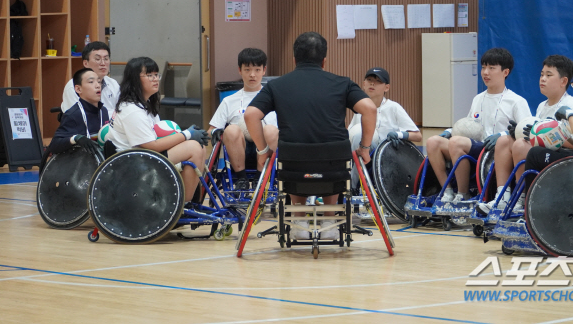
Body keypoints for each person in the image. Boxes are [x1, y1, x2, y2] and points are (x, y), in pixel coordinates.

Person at [244, 32, 377, 240]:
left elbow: (251, 114)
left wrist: (262, 151)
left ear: (294, 60)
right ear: (324, 60)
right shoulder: (342, 83)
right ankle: (331, 221)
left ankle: (298, 221)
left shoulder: (277, 85)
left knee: (296, 156)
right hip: (334, 168)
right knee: (331, 156)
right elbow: (369, 109)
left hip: (294, 168)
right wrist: (365, 148)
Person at [476, 55, 573, 215]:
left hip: (565, 159)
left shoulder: (572, 106)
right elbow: (536, 137)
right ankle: (502, 196)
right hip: (542, 154)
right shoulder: (542, 106)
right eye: (542, 74)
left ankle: (520, 199)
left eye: (548, 75)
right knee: (504, 140)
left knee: (521, 145)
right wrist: (518, 132)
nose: (542, 79)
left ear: (563, 82)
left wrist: (550, 137)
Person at [425, 48, 531, 203]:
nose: (485, 72)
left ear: (505, 72)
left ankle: (463, 194)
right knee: (433, 142)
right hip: (477, 146)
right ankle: (447, 191)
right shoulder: (478, 99)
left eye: (491, 68)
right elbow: (469, 125)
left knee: (456, 142)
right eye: (483, 67)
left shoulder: (517, 101)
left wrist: (502, 136)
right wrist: (449, 131)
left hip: (497, 152)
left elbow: (525, 133)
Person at [106, 57, 209, 202]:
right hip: (131, 163)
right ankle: (183, 206)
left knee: (200, 147)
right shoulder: (131, 109)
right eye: (149, 75)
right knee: (193, 148)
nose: (155, 79)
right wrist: (186, 134)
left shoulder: (145, 103)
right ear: (135, 79)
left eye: (156, 75)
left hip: (143, 155)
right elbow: (151, 146)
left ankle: (188, 201)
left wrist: (187, 135)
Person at [208, 48, 279, 188]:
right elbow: (210, 130)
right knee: (231, 129)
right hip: (239, 151)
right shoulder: (229, 101)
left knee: (271, 129)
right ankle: (242, 180)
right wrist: (215, 132)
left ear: (264, 70)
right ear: (240, 70)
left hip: (268, 149)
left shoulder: (275, 99)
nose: (252, 75)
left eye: (257, 70)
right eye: (247, 70)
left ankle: (261, 178)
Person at [348, 67, 421, 151]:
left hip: (388, 154)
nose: (372, 83)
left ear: (387, 87)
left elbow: (418, 136)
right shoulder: (360, 108)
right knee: (358, 137)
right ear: (364, 84)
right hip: (365, 151)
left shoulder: (394, 107)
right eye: (369, 80)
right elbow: (351, 133)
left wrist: (398, 135)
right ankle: (358, 164)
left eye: (378, 81)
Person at [49, 68, 109, 155]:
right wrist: (75, 138)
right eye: (91, 82)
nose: (98, 85)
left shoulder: (104, 111)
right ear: (78, 89)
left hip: (102, 162)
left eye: (99, 82)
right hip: (81, 164)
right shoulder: (73, 114)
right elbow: (54, 145)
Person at [61, 41, 120, 114]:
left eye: (106, 59)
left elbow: (121, 110)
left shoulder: (113, 83)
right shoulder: (74, 86)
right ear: (86, 63)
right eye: (98, 59)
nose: (103, 63)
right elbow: (78, 117)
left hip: (111, 124)